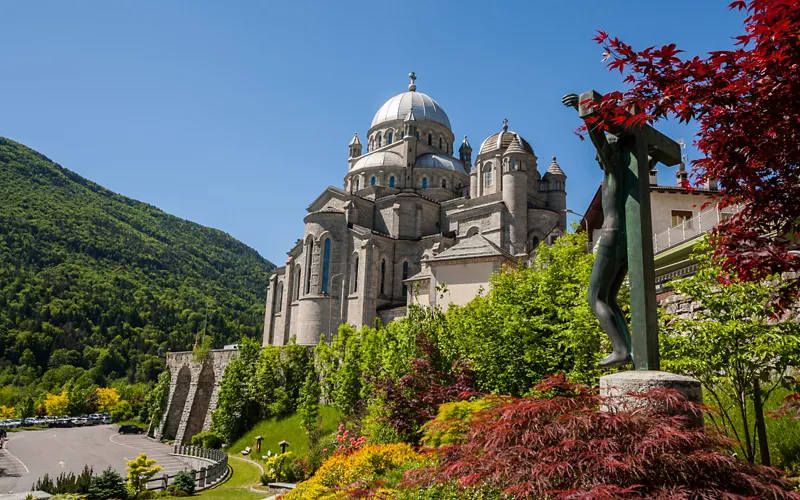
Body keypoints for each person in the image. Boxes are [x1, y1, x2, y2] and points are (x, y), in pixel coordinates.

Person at [562, 93, 632, 367]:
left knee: (595, 297)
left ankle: (620, 350)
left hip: (612, 235)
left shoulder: (614, 170)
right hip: (629, 238)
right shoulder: (630, 172)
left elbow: (599, 140)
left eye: (599, 156)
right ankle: (628, 348)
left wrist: (586, 111)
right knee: (610, 297)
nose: (596, 160)